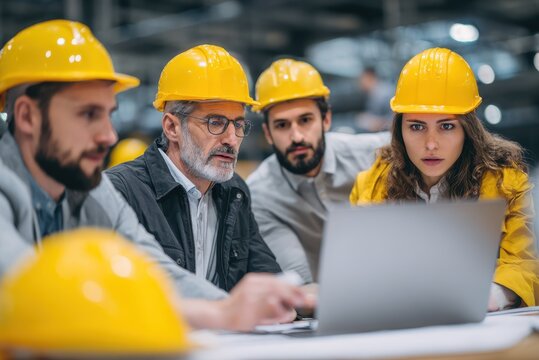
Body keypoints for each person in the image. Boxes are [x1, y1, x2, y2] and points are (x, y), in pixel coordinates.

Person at [0, 19, 311, 331]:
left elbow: (157, 273)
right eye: (88, 115)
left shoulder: (92, 190)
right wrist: (218, 314)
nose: (109, 136)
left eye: (108, 115)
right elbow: (30, 288)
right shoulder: (115, 186)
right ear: (28, 116)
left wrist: (232, 309)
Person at [350, 47, 539, 311]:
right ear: (399, 130)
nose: (430, 144)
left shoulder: (505, 181)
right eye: (416, 126)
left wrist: (492, 295)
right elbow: (356, 270)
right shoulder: (372, 184)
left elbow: (524, 264)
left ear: (468, 129)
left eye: (447, 126)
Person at [106, 45, 282, 292]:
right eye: (216, 122)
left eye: (239, 125)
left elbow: (268, 279)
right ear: (172, 127)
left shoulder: (235, 192)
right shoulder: (120, 192)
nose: (231, 139)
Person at [246, 59, 389, 283]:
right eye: (282, 125)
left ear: (326, 119)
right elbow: (299, 280)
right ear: (267, 133)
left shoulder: (372, 155)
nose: (297, 137)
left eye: (305, 120)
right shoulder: (260, 195)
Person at [356, 66, 394, 132]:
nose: (359, 83)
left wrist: (376, 123)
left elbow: (393, 119)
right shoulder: (373, 93)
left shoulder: (383, 94)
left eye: (361, 79)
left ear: (369, 77)